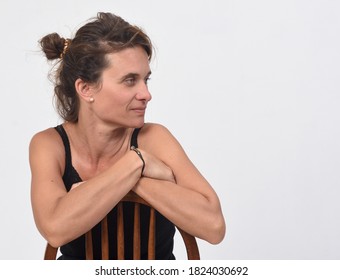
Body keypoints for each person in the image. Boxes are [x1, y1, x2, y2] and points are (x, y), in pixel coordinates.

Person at [29, 12, 225, 260]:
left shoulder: (154, 137)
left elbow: (214, 226)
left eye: (145, 80)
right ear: (86, 88)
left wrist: (121, 183)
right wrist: (137, 163)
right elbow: (55, 230)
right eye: (130, 81)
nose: (146, 94)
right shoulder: (49, 144)